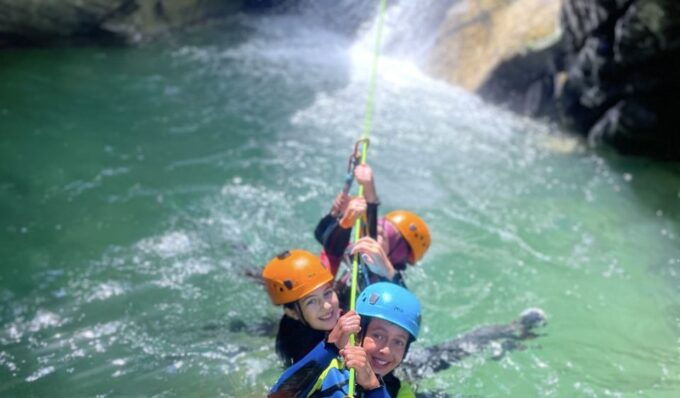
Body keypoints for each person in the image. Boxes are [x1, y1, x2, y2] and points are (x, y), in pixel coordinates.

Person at [269, 282, 421, 397]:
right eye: (378, 336)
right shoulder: (329, 369)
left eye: (398, 342)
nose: (386, 350)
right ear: (358, 334)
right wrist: (330, 347)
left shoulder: (401, 391)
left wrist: (373, 387)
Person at [315, 163, 431, 291]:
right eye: (376, 227)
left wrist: (370, 195)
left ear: (398, 255)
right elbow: (322, 237)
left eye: (383, 236)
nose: (372, 239)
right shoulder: (356, 253)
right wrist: (339, 216)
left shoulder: (389, 279)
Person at [262, 249, 341, 367]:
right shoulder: (300, 350)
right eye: (311, 301)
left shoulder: (315, 315)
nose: (327, 305)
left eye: (327, 292)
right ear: (292, 312)